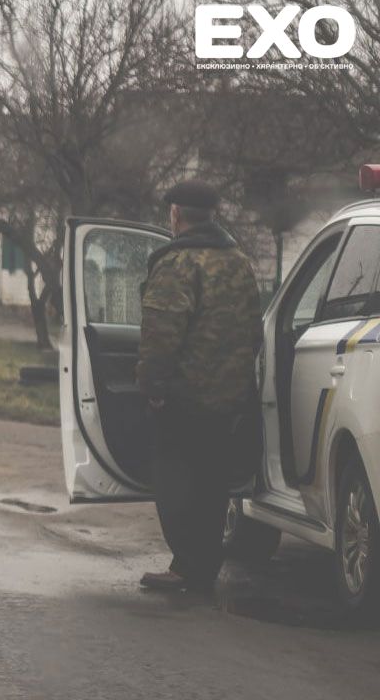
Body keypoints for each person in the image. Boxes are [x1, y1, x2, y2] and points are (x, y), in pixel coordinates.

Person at [137, 180, 263, 593]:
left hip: (185, 396)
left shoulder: (179, 264)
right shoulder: (239, 262)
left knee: (174, 481)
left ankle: (187, 567)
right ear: (212, 215)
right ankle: (203, 566)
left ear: (175, 215)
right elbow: (254, 329)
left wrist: (154, 384)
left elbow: (161, 331)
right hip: (232, 394)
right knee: (212, 483)